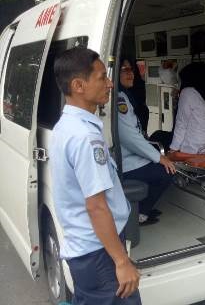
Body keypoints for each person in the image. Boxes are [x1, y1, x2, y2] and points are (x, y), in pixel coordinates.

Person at [50, 48, 141, 304]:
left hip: (87, 250)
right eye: (102, 77)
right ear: (79, 85)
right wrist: (121, 261)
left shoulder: (66, 126)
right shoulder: (86, 137)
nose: (110, 83)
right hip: (99, 253)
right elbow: (97, 206)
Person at [118, 60, 176, 225]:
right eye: (124, 70)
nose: (131, 73)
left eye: (132, 70)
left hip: (130, 156)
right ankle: (140, 214)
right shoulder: (118, 99)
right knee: (166, 172)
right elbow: (129, 137)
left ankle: (142, 208)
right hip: (125, 162)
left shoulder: (125, 96)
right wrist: (159, 157)